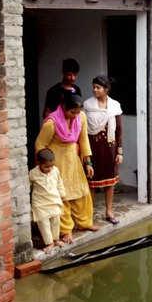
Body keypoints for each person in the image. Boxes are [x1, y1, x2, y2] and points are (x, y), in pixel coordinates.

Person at [35, 93, 100, 244]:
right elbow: (40, 145)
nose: (75, 116)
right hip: (56, 162)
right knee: (62, 197)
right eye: (72, 112)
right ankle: (66, 231)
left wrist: (88, 163)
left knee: (81, 192)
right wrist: (46, 167)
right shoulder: (51, 123)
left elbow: (83, 139)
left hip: (73, 160)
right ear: (63, 107)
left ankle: (85, 223)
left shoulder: (81, 117)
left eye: (78, 112)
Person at [83, 75, 124, 224]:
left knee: (110, 182)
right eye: (93, 87)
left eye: (98, 87)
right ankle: (89, 213)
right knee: (91, 181)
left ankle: (109, 211)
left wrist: (119, 151)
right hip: (93, 148)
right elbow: (83, 131)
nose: (95, 90)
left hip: (110, 148)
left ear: (106, 89)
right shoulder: (87, 106)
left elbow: (119, 130)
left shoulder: (114, 106)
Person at [29, 148, 65, 253]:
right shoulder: (32, 173)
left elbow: (59, 183)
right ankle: (49, 243)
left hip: (54, 199)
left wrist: (62, 194)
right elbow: (28, 187)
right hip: (40, 202)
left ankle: (55, 239)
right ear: (38, 163)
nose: (49, 169)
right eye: (46, 166)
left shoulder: (56, 170)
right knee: (43, 223)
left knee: (55, 221)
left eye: (51, 166)